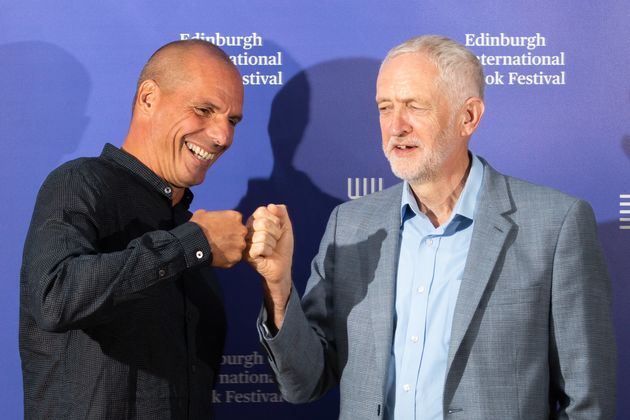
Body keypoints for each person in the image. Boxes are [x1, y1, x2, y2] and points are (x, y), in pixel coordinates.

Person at [246, 35, 617, 419]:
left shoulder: (554, 225)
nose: (396, 126)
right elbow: (303, 383)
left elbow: (588, 403)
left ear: (468, 117)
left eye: (414, 106)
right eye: (385, 107)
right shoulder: (351, 225)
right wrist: (278, 287)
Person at [20, 40, 247, 419]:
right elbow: (54, 297)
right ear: (147, 98)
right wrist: (191, 244)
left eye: (233, 120)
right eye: (204, 110)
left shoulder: (187, 227)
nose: (223, 136)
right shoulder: (80, 183)